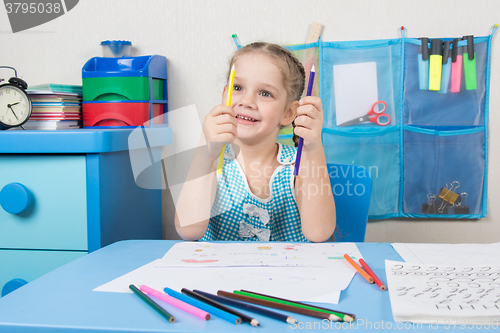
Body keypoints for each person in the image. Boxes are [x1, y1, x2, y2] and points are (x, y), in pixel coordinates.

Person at [175, 42, 336, 242]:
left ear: (288, 113)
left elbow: (319, 233)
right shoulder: (212, 159)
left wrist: (313, 148)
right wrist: (205, 149)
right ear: (225, 95)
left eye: (265, 93)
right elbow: (188, 230)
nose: (246, 101)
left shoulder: (299, 164)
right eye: (238, 87)